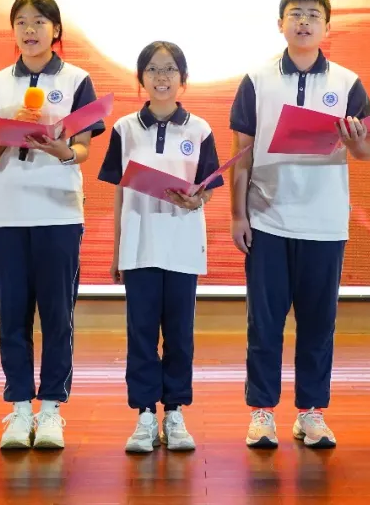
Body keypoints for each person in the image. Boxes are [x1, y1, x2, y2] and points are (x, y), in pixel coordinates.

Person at [229, 0, 370, 449]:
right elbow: (241, 154)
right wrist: (237, 216)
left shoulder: (347, 83)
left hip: (324, 221)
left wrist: (356, 140)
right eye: (296, 14)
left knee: (317, 324)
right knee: (264, 323)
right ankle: (262, 412)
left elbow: (368, 151)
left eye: (314, 15)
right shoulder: (257, 80)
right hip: (267, 219)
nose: (304, 22)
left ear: (327, 26)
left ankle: (311, 412)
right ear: (281, 24)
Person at [0, 0, 105, 450]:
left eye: (39, 22)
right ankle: (18, 409)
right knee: (12, 314)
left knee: (56, 314)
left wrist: (63, 149)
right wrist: (8, 127)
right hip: (7, 211)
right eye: (21, 23)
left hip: (58, 210)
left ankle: (50, 408)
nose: (29, 30)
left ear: (56, 30)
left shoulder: (77, 80)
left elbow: (83, 148)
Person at [97, 41, 223, 454]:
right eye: (152, 69)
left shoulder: (199, 129)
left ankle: (175, 411)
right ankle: (145, 415)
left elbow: (207, 186)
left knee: (180, 335)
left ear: (183, 79)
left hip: (183, 244)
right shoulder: (124, 128)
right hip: (139, 244)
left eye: (170, 69)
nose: (161, 76)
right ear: (141, 78)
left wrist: (197, 199)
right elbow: (120, 192)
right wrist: (117, 250)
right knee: (141, 334)